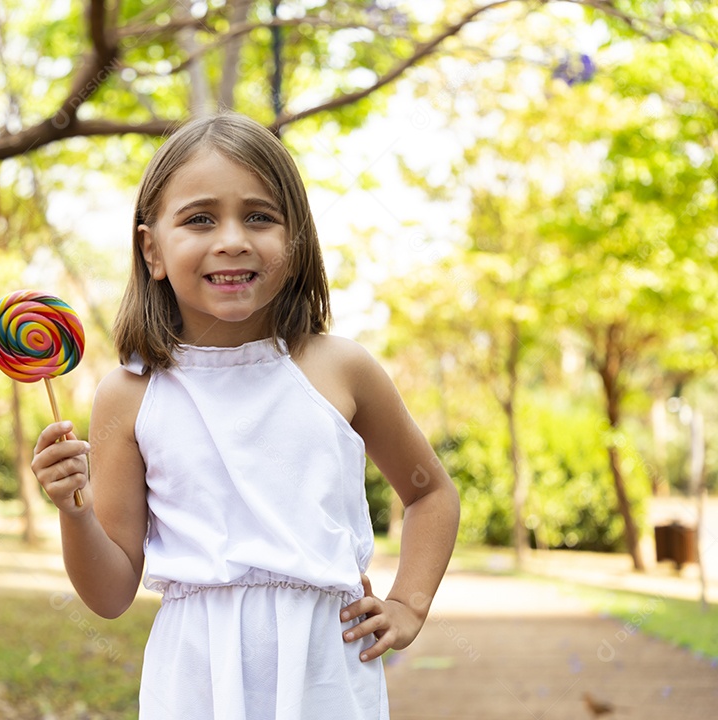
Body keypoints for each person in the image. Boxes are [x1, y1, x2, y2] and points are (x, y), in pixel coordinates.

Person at [31, 112, 460, 718]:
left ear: (296, 241)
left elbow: (431, 494)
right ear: (152, 248)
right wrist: (73, 513)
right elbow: (109, 592)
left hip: (325, 671)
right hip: (194, 677)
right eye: (199, 218)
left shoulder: (340, 368)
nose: (232, 238)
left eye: (259, 216)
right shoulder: (129, 394)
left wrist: (409, 603)